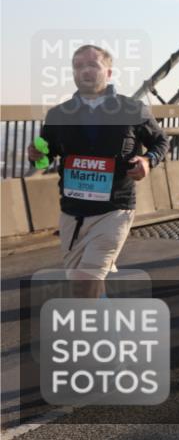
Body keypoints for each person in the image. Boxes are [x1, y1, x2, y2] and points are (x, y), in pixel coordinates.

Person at [25, 45, 169, 296]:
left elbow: (161, 142)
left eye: (93, 65)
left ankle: (84, 333)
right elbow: (47, 156)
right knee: (84, 282)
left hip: (114, 211)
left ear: (109, 72)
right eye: (78, 66)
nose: (85, 71)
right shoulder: (58, 115)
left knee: (84, 281)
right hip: (72, 213)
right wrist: (37, 155)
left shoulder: (132, 109)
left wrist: (148, 160)